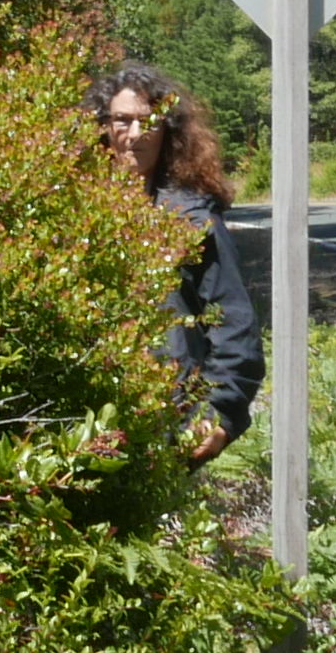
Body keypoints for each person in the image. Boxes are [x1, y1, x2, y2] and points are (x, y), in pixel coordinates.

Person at [97, 66, 260, 463]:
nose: (135, 134)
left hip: (170, 424)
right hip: (83, 423)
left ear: (168, 131)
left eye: (149, 122)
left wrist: (218, 413)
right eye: (123, 120)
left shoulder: (193, 218)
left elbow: (234, 323)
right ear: (103, 126)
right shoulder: (67, 209)